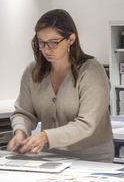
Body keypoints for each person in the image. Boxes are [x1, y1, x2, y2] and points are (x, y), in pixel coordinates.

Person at [8, 9, 113, 160]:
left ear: (71, 39)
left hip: (92, 155)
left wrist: (45, 136)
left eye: (53, 43)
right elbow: (24, 112)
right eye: (41, 43)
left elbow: (86, 124)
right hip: (50, 154)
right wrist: (20, 132)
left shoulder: (91, 70)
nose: (46, 49)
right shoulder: (33, 71)